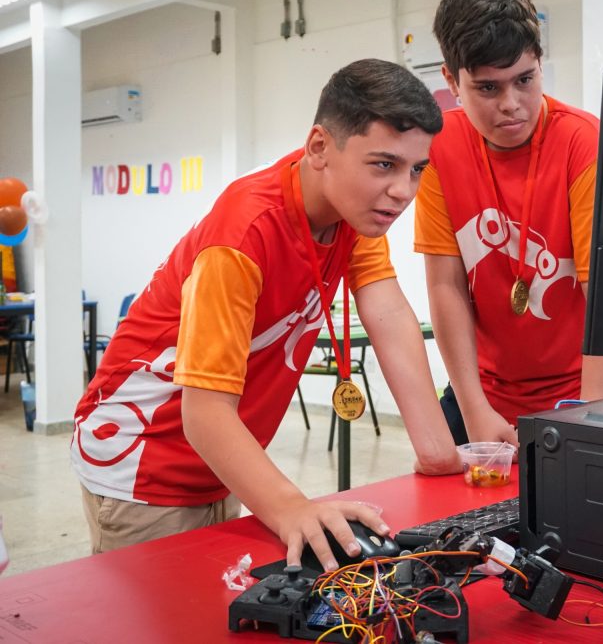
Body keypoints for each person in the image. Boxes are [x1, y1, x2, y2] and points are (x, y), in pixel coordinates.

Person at [71, 58, 461, 572]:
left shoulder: (351, 214)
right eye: (384, 165)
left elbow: (388, 312)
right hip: (143, 461)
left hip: (218, 463)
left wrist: (439, 453)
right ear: (320, 147)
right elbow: (204, 413)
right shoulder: (242, 237)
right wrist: (291, 506)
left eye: (417, 170)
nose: (403, 191)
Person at [415, 0, 603, 448]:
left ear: (540, 64)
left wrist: (591, 424)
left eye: (524, 80)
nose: (511, 105)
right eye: (487, 88)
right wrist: (473, 410)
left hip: (575, 396)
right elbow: (444, 284)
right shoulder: (438, 148)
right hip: (480, 396)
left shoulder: (583, 145)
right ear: (451, 82)